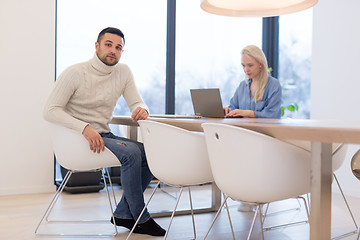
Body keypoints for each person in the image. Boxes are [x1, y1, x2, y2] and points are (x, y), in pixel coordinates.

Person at [43, 27, 166, 236]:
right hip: (79, 139)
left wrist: (142, 109)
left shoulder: (123, 72)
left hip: (104, 136)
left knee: (152, 153)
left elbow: (136, 100)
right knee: (131, 153)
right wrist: (84, 128)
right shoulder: (75, 73)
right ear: (97, 46)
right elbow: (50, 110)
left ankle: (123, 214)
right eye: (108, 45)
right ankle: (140, 217)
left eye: (118, 48)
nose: (113, 51)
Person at [224, 45, 282, 119]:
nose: (246, 69)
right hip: (242, 129)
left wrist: (249, 113)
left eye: (250, 65)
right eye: (243, 65)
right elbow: (233, 107)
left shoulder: (273, 85)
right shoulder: (242, 85)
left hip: (262, 130)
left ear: (260, 64)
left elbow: (273, 114)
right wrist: (228, 111)